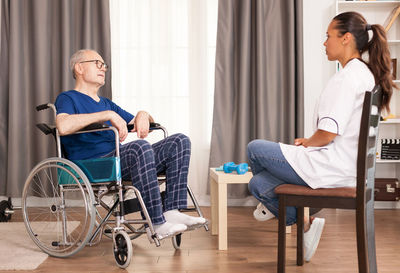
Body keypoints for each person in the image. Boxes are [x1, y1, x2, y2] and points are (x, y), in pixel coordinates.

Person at [248, 11, 394, 262]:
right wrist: (312, 143)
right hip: (347, 168)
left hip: (331, 168)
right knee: (257, 184)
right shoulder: (366, 74)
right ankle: (305, 219)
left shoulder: (347, 78)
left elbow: (327, 134)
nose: (324, 42)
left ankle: (301, 216)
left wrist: (307, 142)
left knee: (254, 149)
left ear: (346, 38)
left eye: (328, 36)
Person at [55, 49, 206, 239]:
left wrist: (143, 114)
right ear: (79, 68)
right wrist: (107, 115)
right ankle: (157, 223)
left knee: (179, 141)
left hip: (118, 160)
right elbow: (63, 125)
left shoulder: (106, 103)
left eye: (105, 66)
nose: (104, 69)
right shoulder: (68, 98)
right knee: (139, 148)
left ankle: (171, 211)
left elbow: (140, 122)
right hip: (94, 164)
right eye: (97, 63)